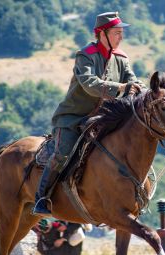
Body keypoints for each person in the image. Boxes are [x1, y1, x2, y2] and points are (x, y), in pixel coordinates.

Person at [32, 11, 146, 216]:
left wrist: (143, 90)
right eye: (117, 32)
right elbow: (89, 84)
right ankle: (41, 198)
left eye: (122, 33)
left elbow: (133, 81)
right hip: (74, 118)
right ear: (102, 33)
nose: (121, 37)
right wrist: (121, 88)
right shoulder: (85, 55)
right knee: (62, 153)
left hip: (103, 119)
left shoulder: (121, 58)